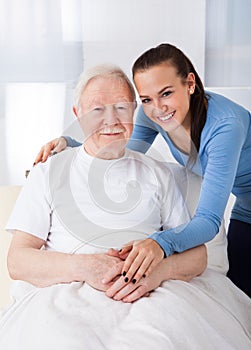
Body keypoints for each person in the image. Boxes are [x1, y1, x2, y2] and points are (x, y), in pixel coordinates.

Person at [1, 64, 251, 350]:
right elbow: (17, 261)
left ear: (134, 111)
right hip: (67, 294)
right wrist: (87, 267)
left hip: (154, 293)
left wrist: (157, 272)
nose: (111, 119)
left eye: (121, 107)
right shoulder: (49, 171)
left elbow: (197, 257)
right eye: (97, 110)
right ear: (77, 115)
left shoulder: (158, 172)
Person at [36, 43, 251, 298]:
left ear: (190, 83)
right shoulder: (155, 116)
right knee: (242, 297)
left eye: (167, 93)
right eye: (146, 99)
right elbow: (119, 146)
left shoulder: (225, 126)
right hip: (246, 209)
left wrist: (159, 243)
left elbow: (208, 221)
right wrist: (69, 144)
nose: (158, 107)